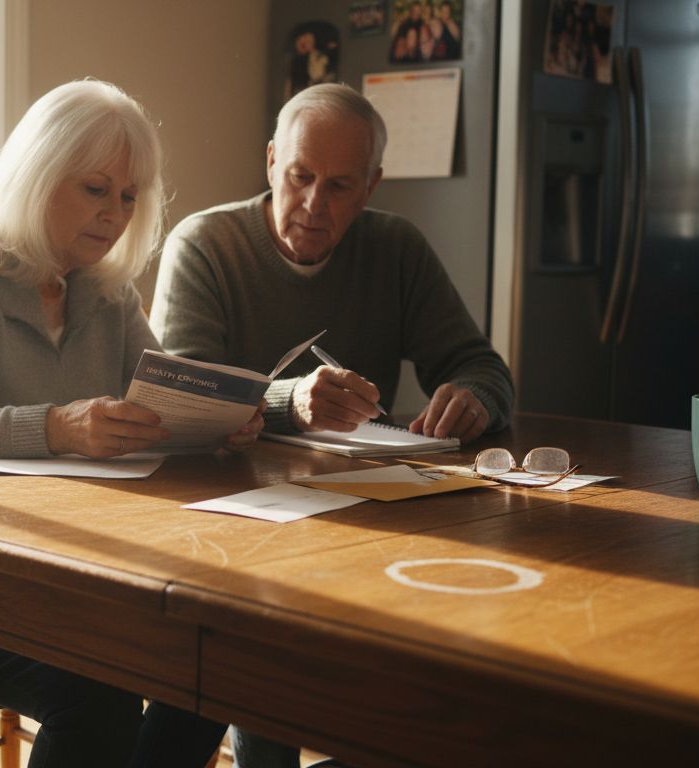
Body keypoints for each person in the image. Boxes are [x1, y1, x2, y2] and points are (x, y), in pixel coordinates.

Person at [0, 78, 255, 767]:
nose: (114, 213)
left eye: (128, 196)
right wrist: (56, 426)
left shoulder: (104, 289)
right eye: (95, 188)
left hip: (54, 574)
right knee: (97, 696)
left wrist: (212, 421)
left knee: (215, 666)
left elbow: (163, 397)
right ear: (38, 172)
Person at [150, 82, 513, 767]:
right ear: (269, 163)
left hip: (360, 526)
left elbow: (482, 365)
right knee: (251, 639)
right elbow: (189, 404)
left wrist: (473, 394)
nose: (315, 205)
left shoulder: (397, 248)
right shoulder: (204, 245)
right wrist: (292, 401)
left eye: (341, 186)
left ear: (372, 184)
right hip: (225, 528)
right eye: (300, 177)